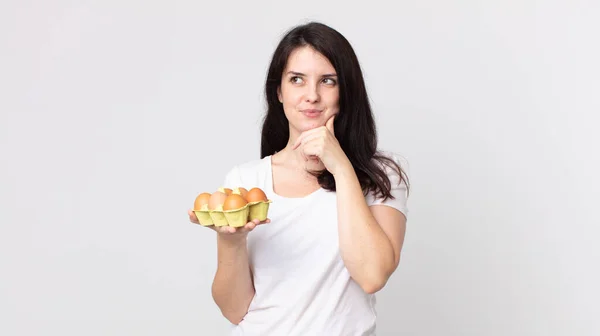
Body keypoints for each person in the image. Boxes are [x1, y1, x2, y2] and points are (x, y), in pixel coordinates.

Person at [188, 21, 410, 336]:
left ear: (346, 91)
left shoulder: (382, 175)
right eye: (297, 80)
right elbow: (236, 311)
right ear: (279, 91)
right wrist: (231, 241)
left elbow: (372, 275)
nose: (312, 96)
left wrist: (341, 167)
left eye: (328, 81)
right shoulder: (247, 179)